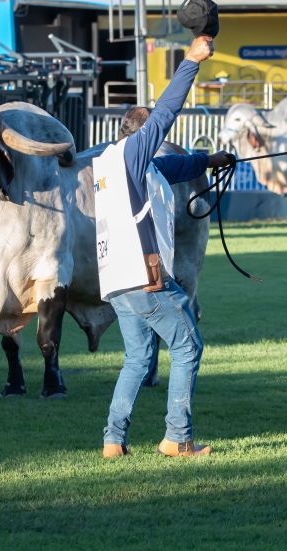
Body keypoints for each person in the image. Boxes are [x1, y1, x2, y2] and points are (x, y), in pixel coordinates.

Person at [95, 34, 234, 458]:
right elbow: (168, 110)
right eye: (152, 132)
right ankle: (178, 436)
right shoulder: (136, 152)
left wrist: (208, 161)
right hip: (144, 276)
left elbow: (171, 166)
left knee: (137, 359)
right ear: (143, 136)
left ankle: (114, 440)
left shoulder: (116, 161)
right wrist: (191, 60)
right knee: (188, 346)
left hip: (117, 281)